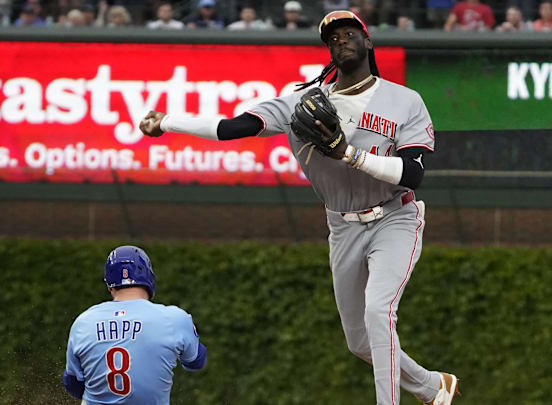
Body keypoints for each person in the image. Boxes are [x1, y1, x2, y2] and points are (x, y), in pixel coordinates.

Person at [139, 10, 459, 405]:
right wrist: (168, 121)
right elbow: (230, 127)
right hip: (341, 225)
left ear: (368, 41)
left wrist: (349, 154)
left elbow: (412, 173)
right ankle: (431, 386)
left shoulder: (405, 101)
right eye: (333, 37)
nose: (341, 40)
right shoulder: (302, 102)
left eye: (349, 32)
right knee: (360, 342)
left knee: (378, 314)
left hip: (394, 217)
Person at [63, 245, 207, 404]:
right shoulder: (175, 318)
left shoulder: (84, 321)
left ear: (110, 286)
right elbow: (196, 362)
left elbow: (73, 384)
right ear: (149, 278)